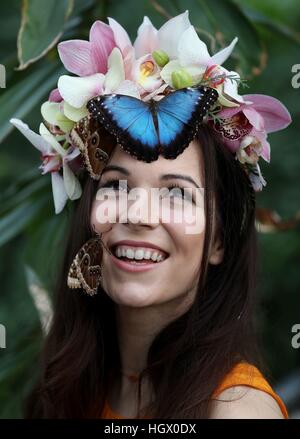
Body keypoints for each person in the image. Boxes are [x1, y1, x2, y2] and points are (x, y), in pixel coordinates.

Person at [10, 11, 291, 419]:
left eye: (176, 193)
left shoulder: (237, 409)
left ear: (219, 240)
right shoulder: (66, 387)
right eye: (115, 186)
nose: (138, 215)